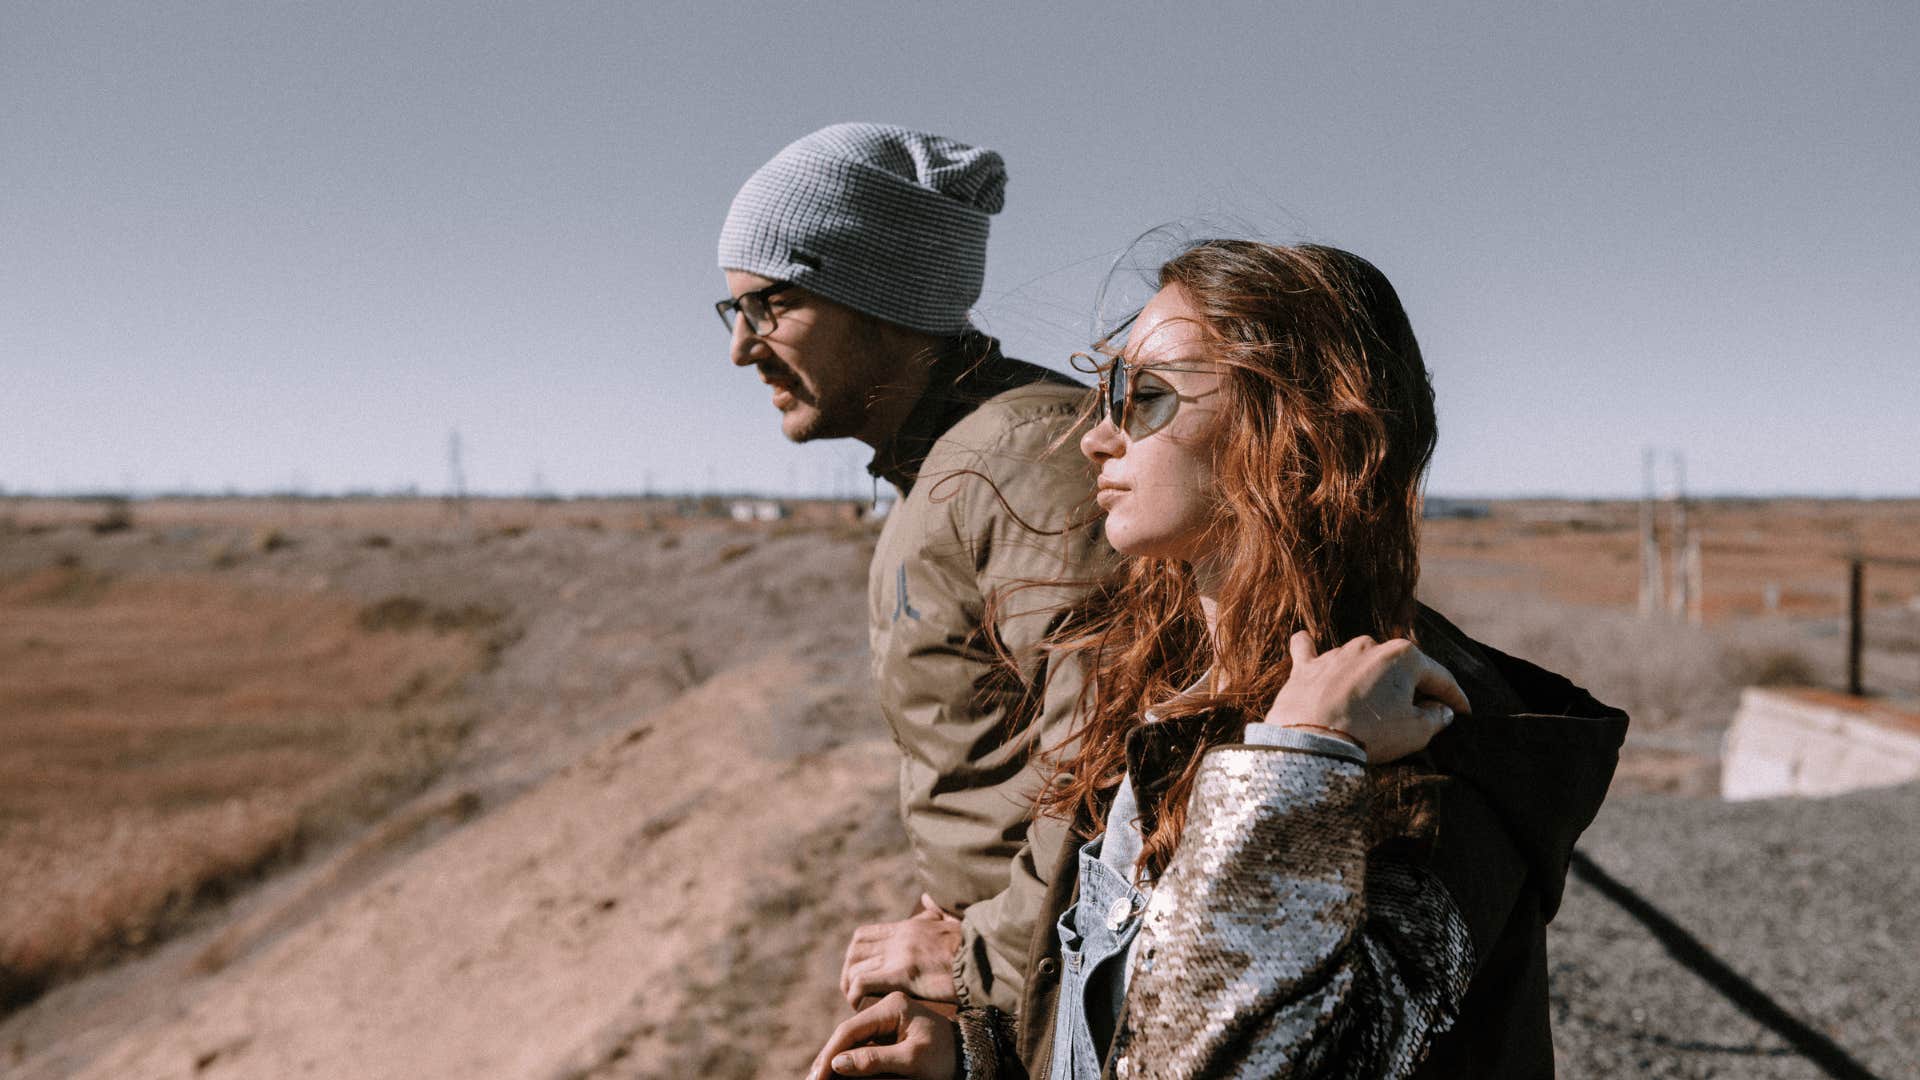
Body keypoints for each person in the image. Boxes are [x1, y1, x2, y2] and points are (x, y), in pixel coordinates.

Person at [806, 239, 1628, 1079]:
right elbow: (1120, 1018)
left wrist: (1300, 767)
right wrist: (973, 1056)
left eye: (1147, 396)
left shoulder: (1426, 745)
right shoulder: (1158, 693)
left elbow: (1257, 1062)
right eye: (1106, 395)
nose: (1098, 437)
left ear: (1296, 430)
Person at [716, 123, 1111, 1013]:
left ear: (879, 296)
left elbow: (1114, 766)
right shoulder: (947, 471)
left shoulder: (1018, 465)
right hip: (1027, 982)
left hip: (1067, 997)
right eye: (732, 311)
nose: (742, 348)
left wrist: (976, 966)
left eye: (769, 306)